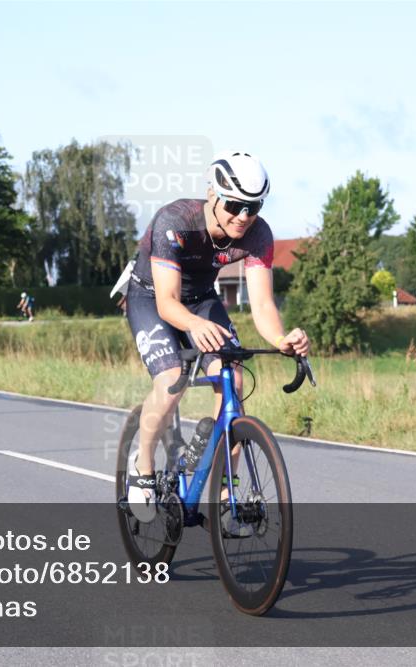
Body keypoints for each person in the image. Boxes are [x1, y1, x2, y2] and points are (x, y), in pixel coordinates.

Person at [123, 151, 310, 525]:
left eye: (253, 207)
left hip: (202, 299)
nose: (243, 216)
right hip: (151, 296)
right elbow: (168, 302)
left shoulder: (258, 235)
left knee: (234, 381)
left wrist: (280, 338)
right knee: (171, 379)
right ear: (213, 194)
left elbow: (261, 302)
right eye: (235, 205)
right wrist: (192, 325)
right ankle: (141, 466)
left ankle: (226, 496)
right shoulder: (175, 221)